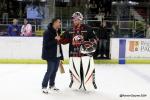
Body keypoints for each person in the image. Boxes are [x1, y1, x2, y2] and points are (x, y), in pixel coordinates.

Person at [59, 12, 97, 91]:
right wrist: (58, 39)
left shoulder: (88, 28)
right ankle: (75, 84)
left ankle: (89, 84)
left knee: (88, 70)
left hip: (86, 55)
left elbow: (95, 39)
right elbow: (63, 40)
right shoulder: (70, 30)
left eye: (76, 19)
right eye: (73, 19)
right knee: (75, 71)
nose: (74, 21)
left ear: (80, 19)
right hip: (74, 55)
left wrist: (89, 45)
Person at [41, 18, 64, 93]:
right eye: (59, 22)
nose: (60, 24)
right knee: (50, 70)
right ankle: (44, 86)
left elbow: (58, 43)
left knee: (54, 71)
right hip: (50, 55)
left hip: (57, 55)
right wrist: (55, 40)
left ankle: (52, 85)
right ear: (54, 23)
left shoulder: (58, 31)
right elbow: (46, 45)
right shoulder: (47, 32)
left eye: (60, 22)